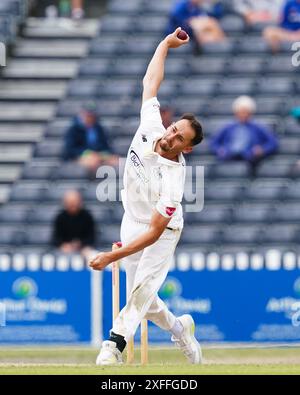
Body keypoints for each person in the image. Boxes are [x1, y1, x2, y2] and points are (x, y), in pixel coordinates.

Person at [89, 28, 204, 365]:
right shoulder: (152, 125)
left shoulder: (174, 180)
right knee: (146, 297)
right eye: (174, 129)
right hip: (131, 219)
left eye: (180, 138)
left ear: (188, 148)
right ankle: (181, 330)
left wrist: (112, 257)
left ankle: (114, 345)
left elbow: (154, 232)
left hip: (162, 232)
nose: (171, 137)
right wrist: (165, 44)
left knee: (139, 290)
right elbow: (150, 82)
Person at [210, 96, 278, 176]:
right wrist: (220, 150)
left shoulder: (258, 127)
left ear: (250, 113)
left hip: (249, 158)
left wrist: (262, 150)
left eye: (246, 112)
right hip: (229, 156)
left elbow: (273, 142)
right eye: (241, 112)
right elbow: (214, 142)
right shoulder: (228, 127)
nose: (243, 114)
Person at [63, 102, 118, 174]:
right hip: (78, 157)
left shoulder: (98, 128)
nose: (89, 117)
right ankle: (93, 183)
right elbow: (70, 150)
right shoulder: (74, 129)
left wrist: (105, 154)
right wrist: (86, 153)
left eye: (91, 115)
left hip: (98, 155)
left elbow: (106, 145)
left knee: (116, 161)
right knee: (92, 161)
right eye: (87, 115)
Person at [52, 190, 95, 254]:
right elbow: (56, 238)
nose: (72, 204)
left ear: (79, 202)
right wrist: (63, 245)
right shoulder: (60, 217)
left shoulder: (87, 216)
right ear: (65, 203)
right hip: (65, 250)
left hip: (84, 249)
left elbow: (91, 237)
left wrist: (81, 244)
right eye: (70, 202)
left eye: (74, 202)